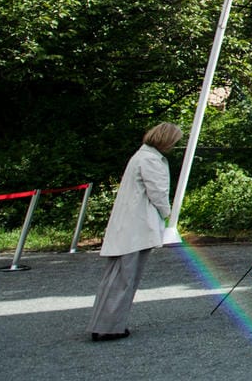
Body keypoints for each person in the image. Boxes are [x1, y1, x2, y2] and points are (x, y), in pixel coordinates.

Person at [89, 122, 182, 341]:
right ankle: (110, 326)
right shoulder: (151, 160)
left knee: (116, 277)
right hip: (137, 227)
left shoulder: (141, 156)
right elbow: (158, 193)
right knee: (125, 277)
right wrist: (168, 214)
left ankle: (104, 323)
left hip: (127, 226)